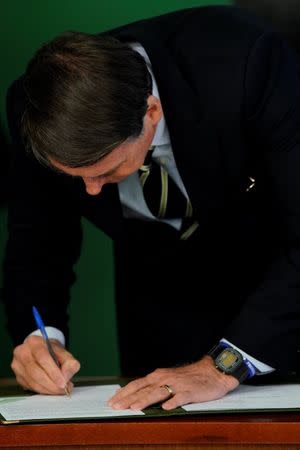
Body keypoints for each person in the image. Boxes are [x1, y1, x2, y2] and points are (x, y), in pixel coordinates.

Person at [3, 5, 300, 411]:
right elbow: (36, 240)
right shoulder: (32, 106)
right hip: (156, 295)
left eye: (106, 172)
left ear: (151, 112)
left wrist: (223, 365)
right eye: (76, 177)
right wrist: (42, 337)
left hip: (277, 285)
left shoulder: (248, 62)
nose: (90, 191)